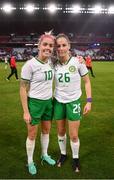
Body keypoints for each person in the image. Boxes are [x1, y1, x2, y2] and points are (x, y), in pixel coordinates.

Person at [53, 34, 92, 172]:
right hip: (58, 101)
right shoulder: (53, 63)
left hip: (73, 101)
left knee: (74, 135)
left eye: (64, 45)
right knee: (60, 131)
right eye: (58, 46)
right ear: (56, 48)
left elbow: (87, 82)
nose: (61, 48)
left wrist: (89, 101)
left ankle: (76, 158)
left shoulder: (78, 62)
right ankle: (63, 155)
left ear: (69, 46)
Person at [20, 32, 56, 175]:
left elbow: (67, 59)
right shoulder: (30, 65)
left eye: (50, 45)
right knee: (32, 134)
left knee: (46, 131)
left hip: (48, 102)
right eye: (45, 44)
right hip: (34, 103)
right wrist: (26, 111)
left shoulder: (51, 62)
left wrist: (80, 60)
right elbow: (23, 89)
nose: (48, 47)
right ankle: (30, 161)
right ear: (39, 45)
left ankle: (44, 154)